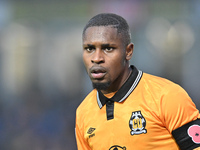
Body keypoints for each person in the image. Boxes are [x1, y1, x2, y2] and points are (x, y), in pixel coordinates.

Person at [75, 13, 200, 150]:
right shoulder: (83, 112)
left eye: (108, 48)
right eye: (90, 49)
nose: (97, 58)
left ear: (128, 52)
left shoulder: (167, 96)